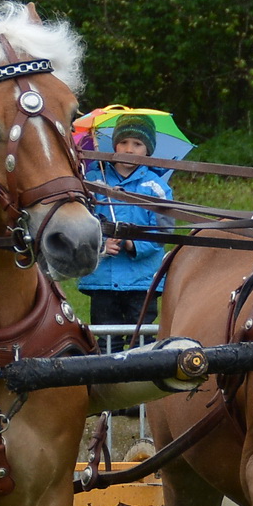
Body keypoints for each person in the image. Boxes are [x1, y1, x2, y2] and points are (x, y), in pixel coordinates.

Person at [77, 114, 174, 349]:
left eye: (137, 144)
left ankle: (142, 377)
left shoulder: (156, 187)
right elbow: (81, 222)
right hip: (102, 278)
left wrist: (134, 245)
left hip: (140, 280)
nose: (129, 150)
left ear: (147, 150)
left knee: (142, 334)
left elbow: (163, 230)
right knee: (106, 334)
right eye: (124, 142)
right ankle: (108, 378)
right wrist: (101, 245)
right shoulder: (93, 181)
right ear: (114, 145)